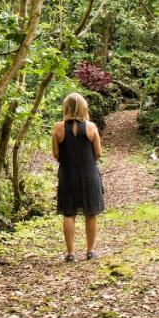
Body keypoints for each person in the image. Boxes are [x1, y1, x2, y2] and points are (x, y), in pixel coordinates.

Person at [52, 92, 104, 261]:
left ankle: (70, 254)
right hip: (89, 174)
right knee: (91, 212)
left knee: (69, 213)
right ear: (84, 107)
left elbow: (55, 154)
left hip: (67, 175)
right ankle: (90, 251)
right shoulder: (91, 127)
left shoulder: (58, 128)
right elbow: (98, 153)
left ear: (66, 107)